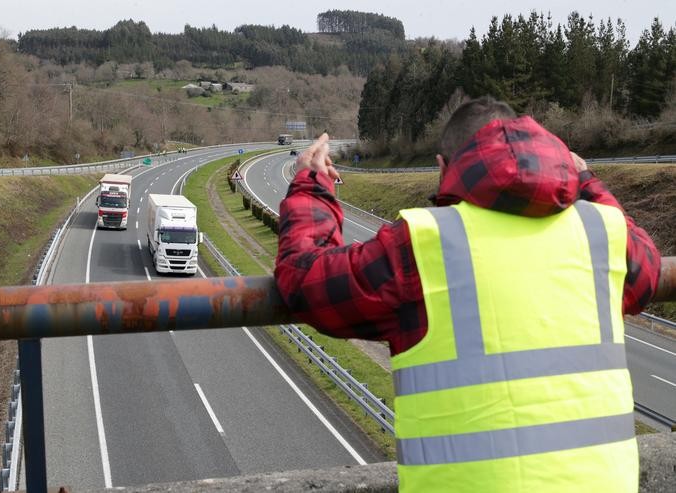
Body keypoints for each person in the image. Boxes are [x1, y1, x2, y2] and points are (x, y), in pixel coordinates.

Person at [274, 96, 661, 492]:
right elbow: (647, 271)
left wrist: (312, 184)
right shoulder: (602, 231)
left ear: (443, 168)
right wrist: (587, 181)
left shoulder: (425, 244)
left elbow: (304, 281)